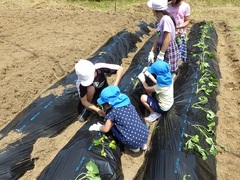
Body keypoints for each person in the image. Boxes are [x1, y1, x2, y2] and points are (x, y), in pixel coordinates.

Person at [89, 85, 149, 153]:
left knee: (112, 127)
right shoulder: (127, 103)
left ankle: (135, 148)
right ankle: (143, 145)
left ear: (108, 104)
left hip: (132, 141)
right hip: (145, 133)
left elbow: (106, 129)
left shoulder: (113, 112)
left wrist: (98, 127)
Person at [147, 0, 179, 79]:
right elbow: (158, 35)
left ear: (154, 10)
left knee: (167, 74)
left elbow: (167, 38)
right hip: (163, 48)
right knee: (162, 73)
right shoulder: (160, 19)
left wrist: (161, 54)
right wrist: (152, 51)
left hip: (167, 49)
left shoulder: (166, 20)